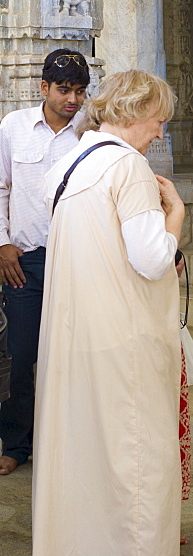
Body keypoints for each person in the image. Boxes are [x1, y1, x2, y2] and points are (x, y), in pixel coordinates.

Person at [31, 69, 193, 556]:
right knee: (142, 460)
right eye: (159, 119)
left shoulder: (69, 164)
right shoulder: (129, 167)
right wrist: (176, 216)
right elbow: (151, 258)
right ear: (135, 113)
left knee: (94, 454)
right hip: (124, 341)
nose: (161, 131)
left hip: (77, 339)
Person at [0, 49, 90, 476]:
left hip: (78, 262)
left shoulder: (91, 133)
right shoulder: (14, 127)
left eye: (79, 90)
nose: (72, 99)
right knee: (20, 355)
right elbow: (0, 188)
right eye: (63, 89)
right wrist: (2, 245)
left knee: (74, 356)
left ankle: (64, 446)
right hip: (26, 262)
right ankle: (16, 444)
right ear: (43, 88)